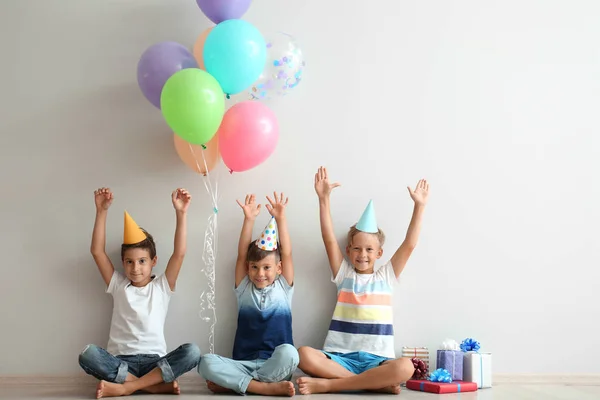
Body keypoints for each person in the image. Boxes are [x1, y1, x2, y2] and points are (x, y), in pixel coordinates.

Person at [296, 167, 430, 395]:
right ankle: (374, 384)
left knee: (405, 367)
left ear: (379, 253)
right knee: (302, 354)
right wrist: (323, 199)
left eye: (369, 249)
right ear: (348, 251)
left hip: (378, 362)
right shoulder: (344, 275)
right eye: (356, 248)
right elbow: (328, 239)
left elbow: (409, 244)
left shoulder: (386, 276)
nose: (362, 254)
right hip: (339, 358)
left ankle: (331, 385)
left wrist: (419, 206)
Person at [78, 187, 200, 398]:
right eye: (130, 262)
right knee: (88, 354)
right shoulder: (118, 285)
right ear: (123, 263)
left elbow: (179, 254)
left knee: (193, 352)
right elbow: (97, 251)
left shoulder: (161, 287)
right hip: (121, 362)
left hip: (156, 363)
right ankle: (151, 386)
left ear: (153, 262)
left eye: (142, 261)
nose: (136, 268)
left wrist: (181, 213)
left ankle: (127, 387)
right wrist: (101, 211)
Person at [198, 192, 298, 397]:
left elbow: (286, 253)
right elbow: (242, 254)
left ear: (279, 268)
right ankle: (261, 387)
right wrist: (249, 219)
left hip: (274, 365)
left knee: (291, 353)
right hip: (242, 363)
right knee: (205, 362)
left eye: (266, 267)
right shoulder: (244, 288)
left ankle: (239, 385)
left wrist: (280, 219)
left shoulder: (284, 288)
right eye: (254, 267)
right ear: (247, 268)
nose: (260, 273)